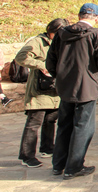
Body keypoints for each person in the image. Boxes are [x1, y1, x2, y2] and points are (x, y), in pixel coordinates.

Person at [46, 3, 98, 179]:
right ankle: (74, 166)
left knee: (64, 124)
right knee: (83, 126)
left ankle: (58, 165)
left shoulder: (61, 34)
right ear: (96, 17)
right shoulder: (97, 35)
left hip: (65, 86)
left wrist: (60, 76)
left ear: (79, 15)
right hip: (86, 87)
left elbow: (50, 61)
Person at [15, 18, 69, 168]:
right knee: (34, 123)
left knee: (50, 120)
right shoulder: (38, 42)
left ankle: (47, 148)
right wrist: (41, 65)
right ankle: (27, 155)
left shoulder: (59, 43)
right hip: (39, 89)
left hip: (54, 89)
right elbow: (20, 57)